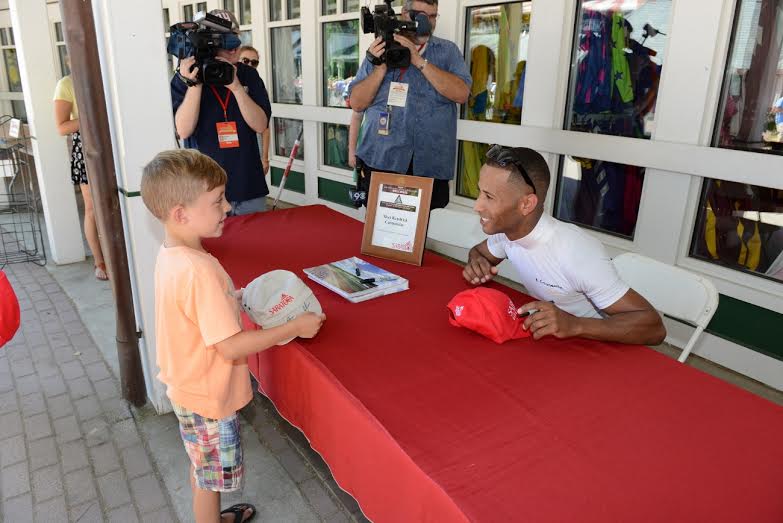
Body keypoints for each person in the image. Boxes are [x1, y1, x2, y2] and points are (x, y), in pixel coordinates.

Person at [140, 149, 325, 523]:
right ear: (181, 214)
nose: (227, 206)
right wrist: (293, 327)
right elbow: (230, 346)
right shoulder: (200, 270)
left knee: (201, 464)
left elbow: (192, 312)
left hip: (188, 388)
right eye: (217, 201)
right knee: (210, 478)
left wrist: (231, 299)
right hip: (208, 397)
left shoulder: (173, 253)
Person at [463, 146, 666, 345]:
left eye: (489, 197)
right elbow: (480, 252)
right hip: (554, 344)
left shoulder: (575, 252)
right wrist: (477, 263)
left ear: (526, 204)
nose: (477, 206)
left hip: (599, 349)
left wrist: (575, 324)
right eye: (481, 192)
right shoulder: (506, 234)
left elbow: (654, 327)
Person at [347, 0, 471, 209]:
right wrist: (380, 67)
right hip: (382, 160)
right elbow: (357, 104)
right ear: (404, 13)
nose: (427, 22)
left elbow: (462, 94)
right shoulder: (380, 49)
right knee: (380, 231)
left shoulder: (447, 51)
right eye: (420, 15)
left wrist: (417, 59)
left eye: (432, 16)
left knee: (422, 230)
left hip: (429, 164)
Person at [171, 9, 272, 216]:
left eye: (235, 36)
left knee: (256, 247)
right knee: (212, 249)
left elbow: (261, 125)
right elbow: (183, 130)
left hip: (248, 186)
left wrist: (235, 87)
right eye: (225, 40)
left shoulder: (248, 75)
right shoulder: (186, 77)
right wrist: (194, 84)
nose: (234, 46)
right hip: (203, 191)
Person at [53, 71, 109, 281]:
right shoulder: (67, 83)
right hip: (86, 147)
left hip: (115, 142)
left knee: (117, 202)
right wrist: (91, 115)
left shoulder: (109, 73)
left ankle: (120, 255)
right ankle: (100, 260)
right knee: (93, 207)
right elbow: (61, 127)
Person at [237, 45, 271, 176]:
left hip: (250, 146)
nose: (249, 65)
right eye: (245, 61)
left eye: (254, 62)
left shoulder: (258, 88)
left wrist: (265, 158)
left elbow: (265, 128)